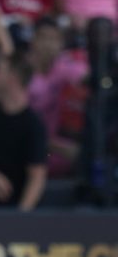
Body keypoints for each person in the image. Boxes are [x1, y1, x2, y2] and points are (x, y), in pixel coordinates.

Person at [0, 53, 47, 210]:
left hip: (12, 208)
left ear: (12, 77)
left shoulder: (33, 125)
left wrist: (20, 218)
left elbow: (37, 175)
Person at [27, 18, 88, 177]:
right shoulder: (22, 69)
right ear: (33, 39)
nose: (49, 44)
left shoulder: (64, 66)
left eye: (54, 39)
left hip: (54, 150)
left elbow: (85, 77)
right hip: (24, 146)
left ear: (61, 44)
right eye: (43, 37)